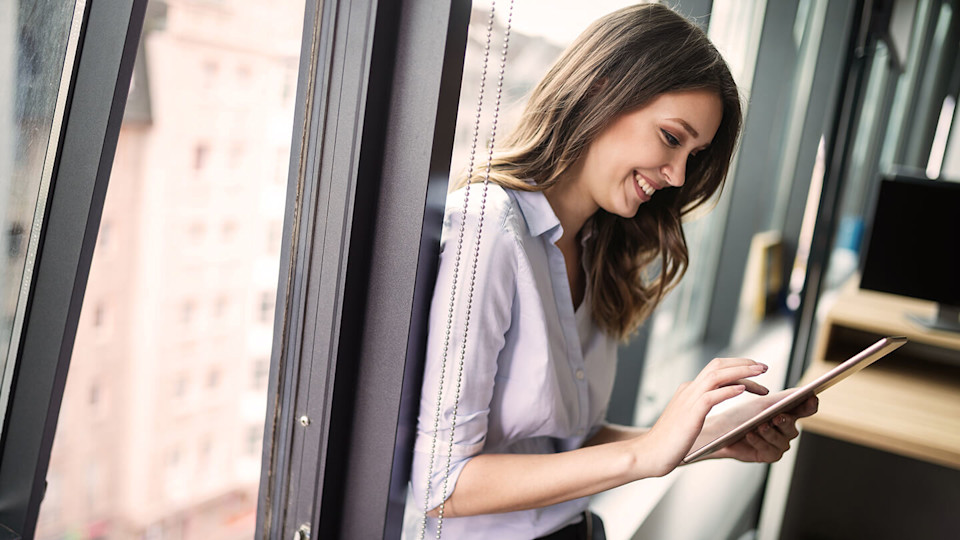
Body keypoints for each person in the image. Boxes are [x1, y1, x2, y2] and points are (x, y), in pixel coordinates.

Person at [409, 4, 819, 539]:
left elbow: (566, 445)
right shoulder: (489, 227)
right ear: (603, 89)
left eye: (694, 156)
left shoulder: (601, 246)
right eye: (673, 138)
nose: (676, 176)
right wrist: (647, 453)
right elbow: (442, 484)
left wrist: (706, 437)